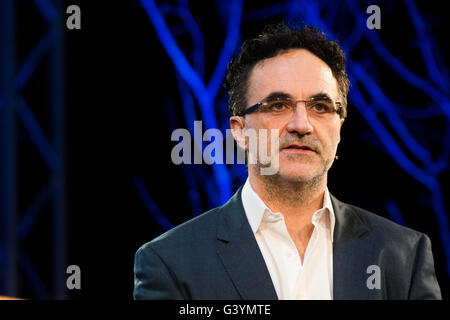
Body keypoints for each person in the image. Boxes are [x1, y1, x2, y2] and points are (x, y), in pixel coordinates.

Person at [133, 23, 442, 300]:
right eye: (278, 104)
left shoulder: (405, 257)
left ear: (340, 127)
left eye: (321, 106)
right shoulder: (171, 262)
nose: (302, 124)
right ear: (239, 132)